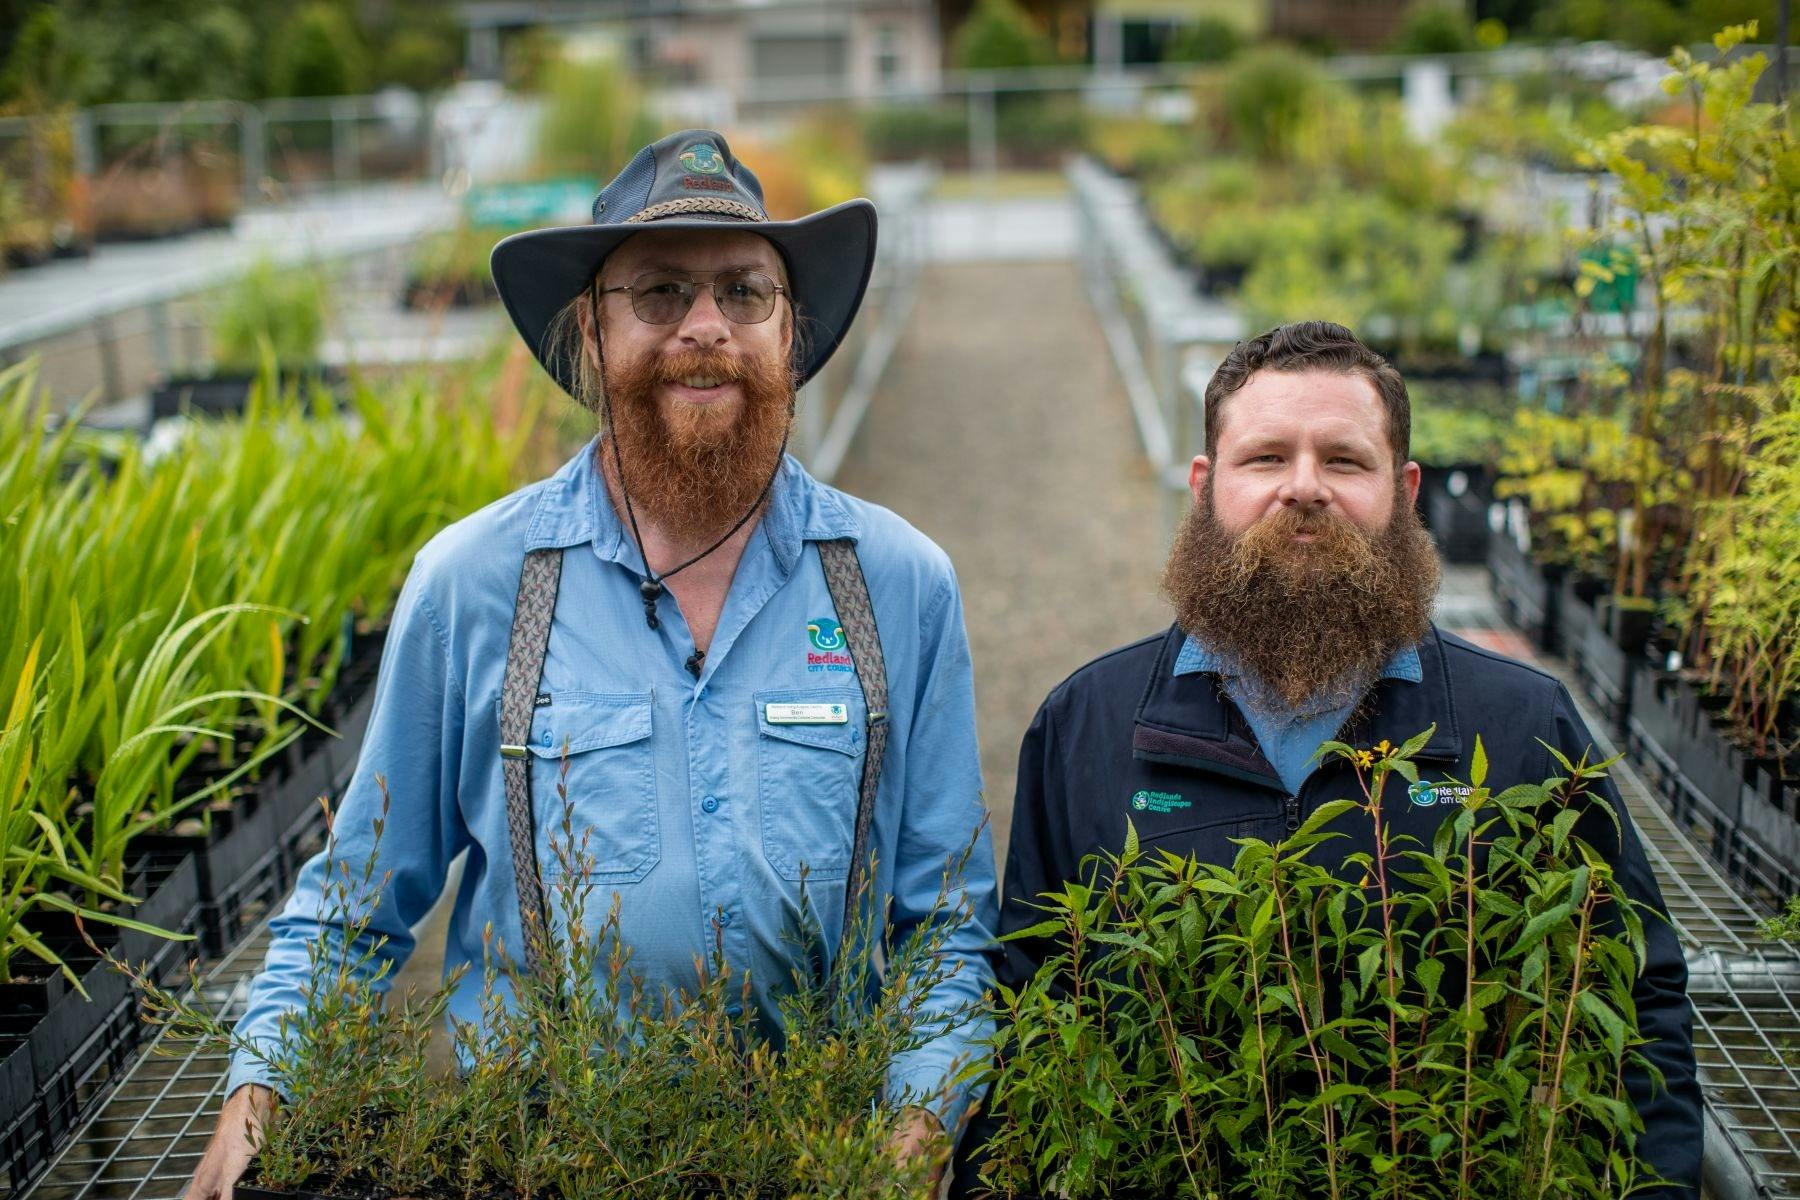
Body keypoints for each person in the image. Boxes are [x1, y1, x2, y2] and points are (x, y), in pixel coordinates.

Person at [187, 129, 998, 1199]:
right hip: (543, 1160)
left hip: (821, 1155)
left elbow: (943, 924)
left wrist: (913, 1132)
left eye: (745, 292)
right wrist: (254, 1104)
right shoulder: (474, 587)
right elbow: (351, 915)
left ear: (789, 334)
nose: (706, 326)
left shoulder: (896, 584)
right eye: (659, 292)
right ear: (592, 331)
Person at [967, 320, 1700, 1196]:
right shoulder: (1089, 725)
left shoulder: (1517, 727)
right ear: (1205, 487)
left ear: (1406, 489)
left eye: (1345, 461)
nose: (1304, 488)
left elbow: (1634, 997)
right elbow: (1030, 1005)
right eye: (1266, 457)